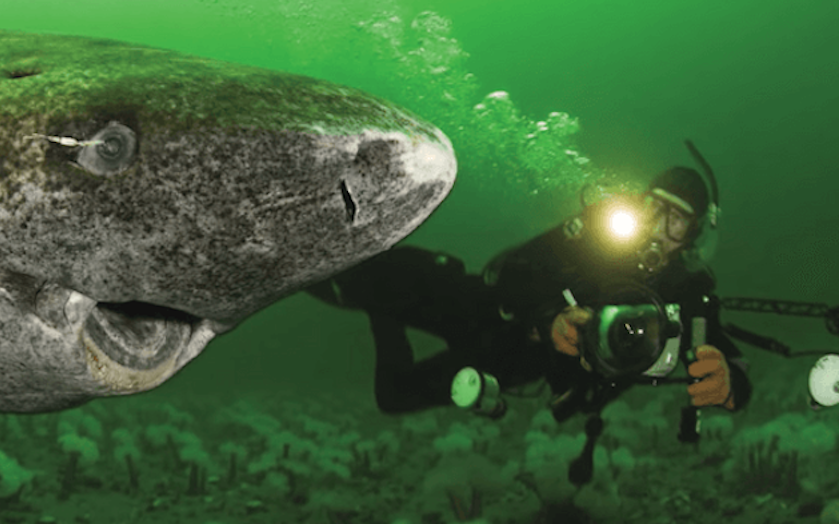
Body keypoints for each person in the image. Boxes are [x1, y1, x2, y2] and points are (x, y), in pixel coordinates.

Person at [308, 163, 751, 425]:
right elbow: (512, 269)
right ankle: (303, 257)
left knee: (396, 395)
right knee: (377, 273)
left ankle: (378, 305)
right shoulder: (600, 233)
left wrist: (730, 386)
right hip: (481, 307)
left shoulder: (686, 291)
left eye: (677, 221)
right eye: (653, 207)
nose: (658, 227)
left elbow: (727, 358)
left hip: (512, 364)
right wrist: (549, 317)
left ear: (692, 235)